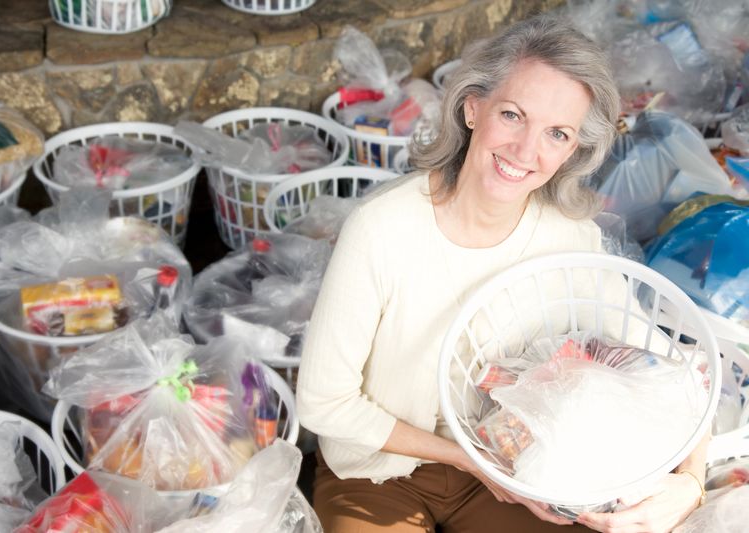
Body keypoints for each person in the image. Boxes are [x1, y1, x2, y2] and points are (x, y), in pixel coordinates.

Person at [296, 14, 709, 533]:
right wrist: (469, 457)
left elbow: (673, 373)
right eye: (513, 115)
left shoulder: (569, 240)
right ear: (472, 107)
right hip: (381, 475)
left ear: (572, 150)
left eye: (556, 133)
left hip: (516, 472)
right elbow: (322, 403)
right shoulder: (381, 229)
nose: (525, 150)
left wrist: (690, 485)